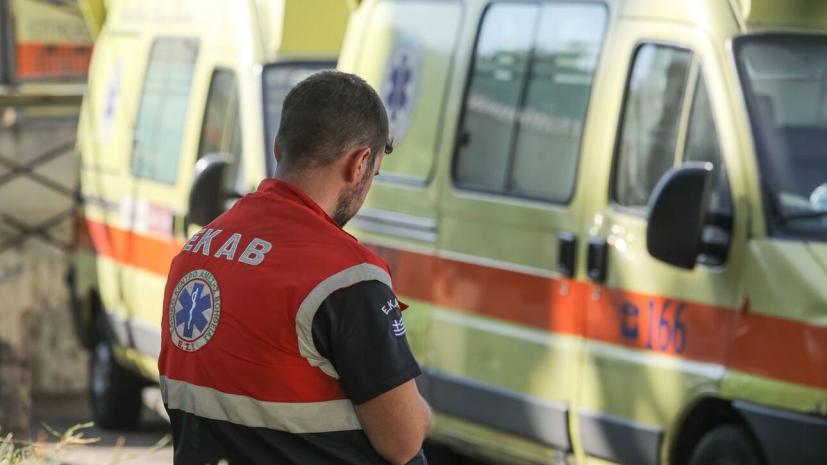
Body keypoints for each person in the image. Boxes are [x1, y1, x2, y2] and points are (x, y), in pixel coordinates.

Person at [158, 71, 432, 465]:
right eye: (374, 174)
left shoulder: (196, 251)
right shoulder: (347, 276)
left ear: (278, 147)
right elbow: (402, 441)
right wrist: (422, 414)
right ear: (360, 164)